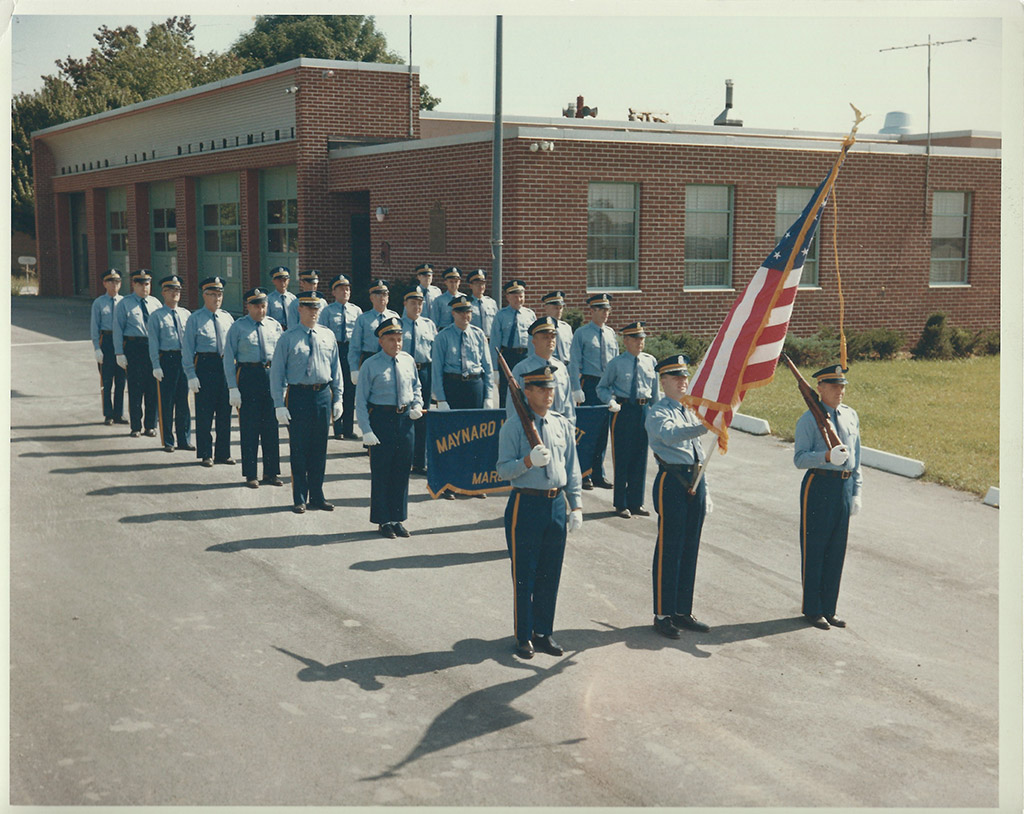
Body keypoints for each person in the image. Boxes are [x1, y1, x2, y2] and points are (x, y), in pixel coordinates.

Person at [495, 364, 583, 659]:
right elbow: (502, 470)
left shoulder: (561, 424)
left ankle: (544, 632)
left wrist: (576, 505)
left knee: (550, 572)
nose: (549, 394)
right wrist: (528, 462)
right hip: (526, 504)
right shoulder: (513, 427)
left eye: (551, 388)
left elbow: (572, 467)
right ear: (527, 391)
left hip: (556, 504)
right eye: (542, 389)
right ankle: (523, 636)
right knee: (525, 574)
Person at [645, 355, 713, 639]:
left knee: (690, 547)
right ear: (663, 382)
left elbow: (698, 450)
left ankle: (683, 610)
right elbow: (670, 435)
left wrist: (706, 488)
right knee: (670, 548)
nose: (682, 381)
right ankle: (663, 614)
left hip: (695, 480)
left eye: (684, 376)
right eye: (676, 377)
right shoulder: (658, 412)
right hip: (672, 481)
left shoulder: (690, 409)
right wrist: (705, 425)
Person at [793, 363, 863, 630]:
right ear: (820, 388)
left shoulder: (850, 415)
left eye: (842, 386)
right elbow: (800, 459)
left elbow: (857, 457)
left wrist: (856, 491)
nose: (839, 391)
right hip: (819, 485)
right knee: (815, 548)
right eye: (833, 386)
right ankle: (813, 609)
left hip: (844, 486)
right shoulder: (808, 419)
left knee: (836, 550)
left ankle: (829, 608)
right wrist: (825, 456)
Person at [270, 290, 344, 514]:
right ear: (300, 309)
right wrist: (279, 404)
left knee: (319, 448)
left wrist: (338, 398)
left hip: (322, 394)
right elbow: (277, 373)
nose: (314, 312)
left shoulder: (327, 335)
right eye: (309, 308)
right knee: (299, 448)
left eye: (316, 308)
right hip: (299, 395)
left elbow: (336, 369)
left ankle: (317, 495)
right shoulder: (288, 337)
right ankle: (300, 497)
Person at [355, 316, 424, 538]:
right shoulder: (370, 365)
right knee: (382, 471)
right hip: (382, 420)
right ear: (381, 341)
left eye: (399, 339)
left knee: (402, 471)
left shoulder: (408, 360)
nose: (397, 344)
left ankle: (397, 518)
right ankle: (383, 520)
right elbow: (361, 401)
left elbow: (416, 387)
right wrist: (366, 430)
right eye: (392, 339)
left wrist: (417, 405)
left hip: (405, 420)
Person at [430, 294, 494, 499]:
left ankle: (473, 484)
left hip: (474, 386)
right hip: (453, 386)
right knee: (452, 438)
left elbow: (487, 367)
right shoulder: (443, 336)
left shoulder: (478, 334)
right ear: (453, 313)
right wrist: (440, 399)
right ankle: (450, 485)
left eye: (468, 312)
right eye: (461, 312)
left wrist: (488, 395)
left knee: (476, 436)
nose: (465, 316)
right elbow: (437, 369)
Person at [224, 287, 285, 489]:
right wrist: (232, 387)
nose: (261, 310)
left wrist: (283, 384)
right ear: (248, 307)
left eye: (264, 306)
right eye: (257, 306)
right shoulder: (238, 327)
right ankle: (251, 474)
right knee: (249, 427)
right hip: (248, 376)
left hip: (270, 376)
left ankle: (271, 472)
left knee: (271, 427)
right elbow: (228, 358)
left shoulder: (274, 326)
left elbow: (281, 357)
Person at [597, 321, 658, 518]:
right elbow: (602, 387)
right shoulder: (616, 363)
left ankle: (636, 502)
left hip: (643, 410)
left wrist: (657, 413)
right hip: (623, 411)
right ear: (626, 341)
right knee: (622, 456)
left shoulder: (650, 361)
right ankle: (621, 503)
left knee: (640, 457)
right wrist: (610, 400)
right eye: (635, 339)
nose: (640, 342)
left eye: (642, 338)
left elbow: (655, 392)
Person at [182, 276, 236, 467]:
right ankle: (206, 453)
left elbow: (233, 347)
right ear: (204, 295)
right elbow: (187, 349)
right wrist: (191, 374)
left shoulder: (227, 318)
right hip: (205, 366)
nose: (217, 298)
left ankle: (223, 453)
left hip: (225, 366)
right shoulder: (195, 319)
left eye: (219, 294)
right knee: (205, 414)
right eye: (212, 294)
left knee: (224, 413)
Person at [569, 293, 617, 489]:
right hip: (589, 384)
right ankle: (583, 473)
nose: (606, 313)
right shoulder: (581, 333)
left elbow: (615, 363)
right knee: (587, 430)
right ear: (592, 311)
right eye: (601, 310)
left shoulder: (611, 333)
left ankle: (598, 473)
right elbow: (574, 362)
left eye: (608, 310)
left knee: (602, 432)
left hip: (607, 386)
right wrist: (575, 387)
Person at [147, 274, 193, 453]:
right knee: (166, 402)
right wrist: (156, 365)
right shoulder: (156, 316)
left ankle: (184, 439)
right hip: (167, 359)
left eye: (178, 290)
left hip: (184, 360)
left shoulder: (186, 314)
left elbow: (191, 340)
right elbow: (153, 342)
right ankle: (168, 440)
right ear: (163, 293)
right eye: (171, 290)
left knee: (183, 402)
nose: (175, 293)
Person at [113, 269, 161, 438]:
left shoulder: (156, 303)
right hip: (134, 347)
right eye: (140, 284)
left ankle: (150, 425)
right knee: (135, 388)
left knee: (152, 388)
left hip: (152, 347)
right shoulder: (124, 304)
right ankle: (135, 426)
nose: (144, 287)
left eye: (147, 284)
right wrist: (119, 353)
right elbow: (118, 329)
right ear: (134, 284)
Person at [507, 317, 576, 425]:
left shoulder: (561, 368)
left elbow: (568, 406)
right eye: (545, 337)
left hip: (559, 428)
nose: (550, 340)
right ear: (534, 341)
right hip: (532, 427)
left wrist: (570, 427)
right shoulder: (522, 369)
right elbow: (513, 407)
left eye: (553, 337)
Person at [318, 274, 363, 440]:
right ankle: (338, 428)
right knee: (337, 388)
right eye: (341, 289)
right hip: (335, 350)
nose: (345, 292)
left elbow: (359, 335)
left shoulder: (356, 311)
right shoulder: (327, 311)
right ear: (334, 292)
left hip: (351, 351)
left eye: (347, 289)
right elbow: (323, 333)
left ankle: (349, 428)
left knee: (350, 390)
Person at [401, 290, 437, 475]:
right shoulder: (398, 325)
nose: (417, 307)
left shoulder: (429, 325)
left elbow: (435, 354)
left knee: (423, 416)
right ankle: (403, 460)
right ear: (405, 304)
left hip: (424, 371)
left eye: (420, 303)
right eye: (413, 303)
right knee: (404, 415)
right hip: (404, 372)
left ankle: (420, 462)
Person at [490, 279, 537, 408]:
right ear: (508, 297)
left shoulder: (530, 315)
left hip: (526, 356)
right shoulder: (501, 315)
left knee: (527, 390)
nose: (518, 300)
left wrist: (535, 360)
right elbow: (495, 343)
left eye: (521, 296)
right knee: (507, 391)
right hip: (508, 357)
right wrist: (495, 369)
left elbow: (534, 341)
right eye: (515, 297)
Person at [90, 268, 127, 425]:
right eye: (111, 282)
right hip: (106, 341)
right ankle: (108, 414)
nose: (114, 285)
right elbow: (94, 327)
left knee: (121, 381)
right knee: (106, 381)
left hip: (122, 343)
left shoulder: (125, 302)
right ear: (104, 284)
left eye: (117, 281)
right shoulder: (99, 303)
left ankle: (119, 413)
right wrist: (97, 348)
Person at [348, 279, 400, 379]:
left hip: (389, 361)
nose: (382, 297)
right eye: (378, 295)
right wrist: (354, 369)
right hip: (369, 359)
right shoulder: (363, 319)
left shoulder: (394, 317)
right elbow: (355, 346)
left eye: (384, 294)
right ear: (371, 298)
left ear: (388, 297)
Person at [541, 291, 573, 366]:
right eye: (556, 308)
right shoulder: (540, 328)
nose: (559, 311)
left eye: (560, 308)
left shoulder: (566, 328)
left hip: (566, 366)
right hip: (549, 366)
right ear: (546, 308)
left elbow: (572, 350)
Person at [467, 269, 498, 337]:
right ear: (470, 286)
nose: (480, 286)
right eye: (477, 284)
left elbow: (497, 324)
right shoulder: (467, 304)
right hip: (473, 339)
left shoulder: (491, 303)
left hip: (489, 339)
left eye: (482, 283)